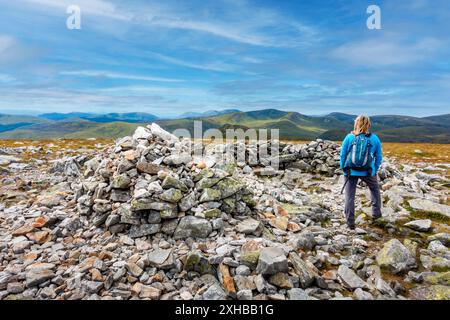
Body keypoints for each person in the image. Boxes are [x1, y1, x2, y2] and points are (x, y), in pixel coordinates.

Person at [340, 115, 383, 230]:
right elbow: (378, 157)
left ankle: (350, 223)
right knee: (375, 191)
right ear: (368, 125)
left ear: (356, 124)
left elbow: (343, 155)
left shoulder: (349, 137)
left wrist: (344, 168)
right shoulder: (374, 138)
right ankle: (376, 215)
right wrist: (374, 169)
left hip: (350, 172)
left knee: (350, 196)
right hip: (368, 172)